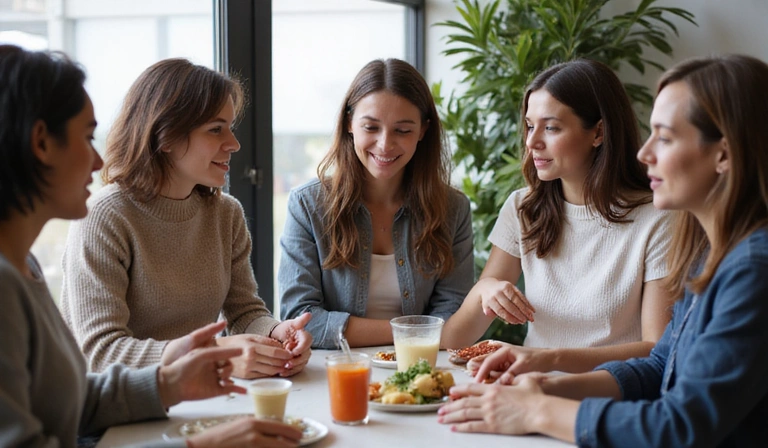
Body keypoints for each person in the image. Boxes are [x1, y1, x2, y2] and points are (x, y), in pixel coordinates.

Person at [439, 54, 768, 446]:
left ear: (724, 155)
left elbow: (680, 426)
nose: (645, 153)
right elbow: (660, 365)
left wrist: (537, 409)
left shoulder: (753, 270)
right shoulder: (712, 256)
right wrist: (543, 383)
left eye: (664, 137)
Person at [0, 44, 303, 448]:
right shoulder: (98, 222)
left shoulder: (25, 267)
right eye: (87, 138)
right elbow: (96, 358)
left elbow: (67, 399)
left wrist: (271, 336)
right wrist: (202, 433)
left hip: (179, 412)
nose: (98, 161)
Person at [59, 58, 312, 379]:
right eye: (215, 129)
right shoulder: (105, 216)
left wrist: (278, 333)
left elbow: (245, 312)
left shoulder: (226, 214)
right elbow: (101, 353)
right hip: (113, 404)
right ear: (166, 137)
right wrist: (211, 356)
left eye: (230, 128)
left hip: (195, 393)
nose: (234, 144)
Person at [441, 58, 674, 374]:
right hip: (528, 386)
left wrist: (546, 358)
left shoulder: (657, 218)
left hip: (609, 393)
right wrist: (486, 290)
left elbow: (656, 351)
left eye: (551, 127)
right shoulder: (523, 208)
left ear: (599, 132)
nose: (532, 142)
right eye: (529, 126)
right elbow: (456, 337)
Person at [279, 58, 474, 349]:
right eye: (371, 127)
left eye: (403, 131)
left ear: (423, 131)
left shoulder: (452, 208)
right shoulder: (307, 205)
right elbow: (300, 319)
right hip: (337, 368)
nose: (385, 144)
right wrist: (410, 332)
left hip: (423, 367)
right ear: (349, 123)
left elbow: (454, 313)